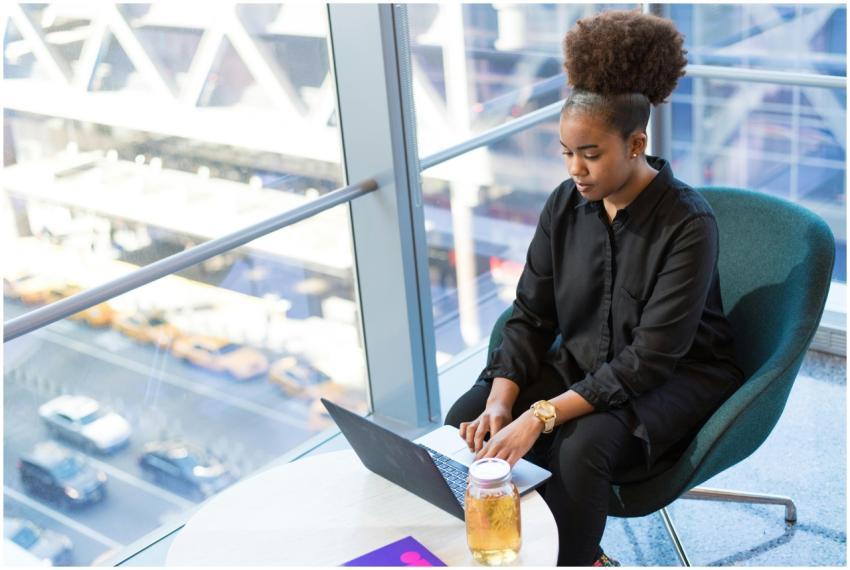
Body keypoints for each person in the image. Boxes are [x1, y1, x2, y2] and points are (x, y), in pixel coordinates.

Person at [444, 10, 744, 567]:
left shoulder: (688, 225)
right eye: (566, 152)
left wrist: (541, 415)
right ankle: (512, 546)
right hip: (586, 361)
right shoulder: (565, 204)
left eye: (590, 154)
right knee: (464, 418)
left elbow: (650, 360)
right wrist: (501, 399)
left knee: (581, 447)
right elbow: (531, 314)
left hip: (677, 373)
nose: (575, 169)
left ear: (635, 143)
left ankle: (579, 558)